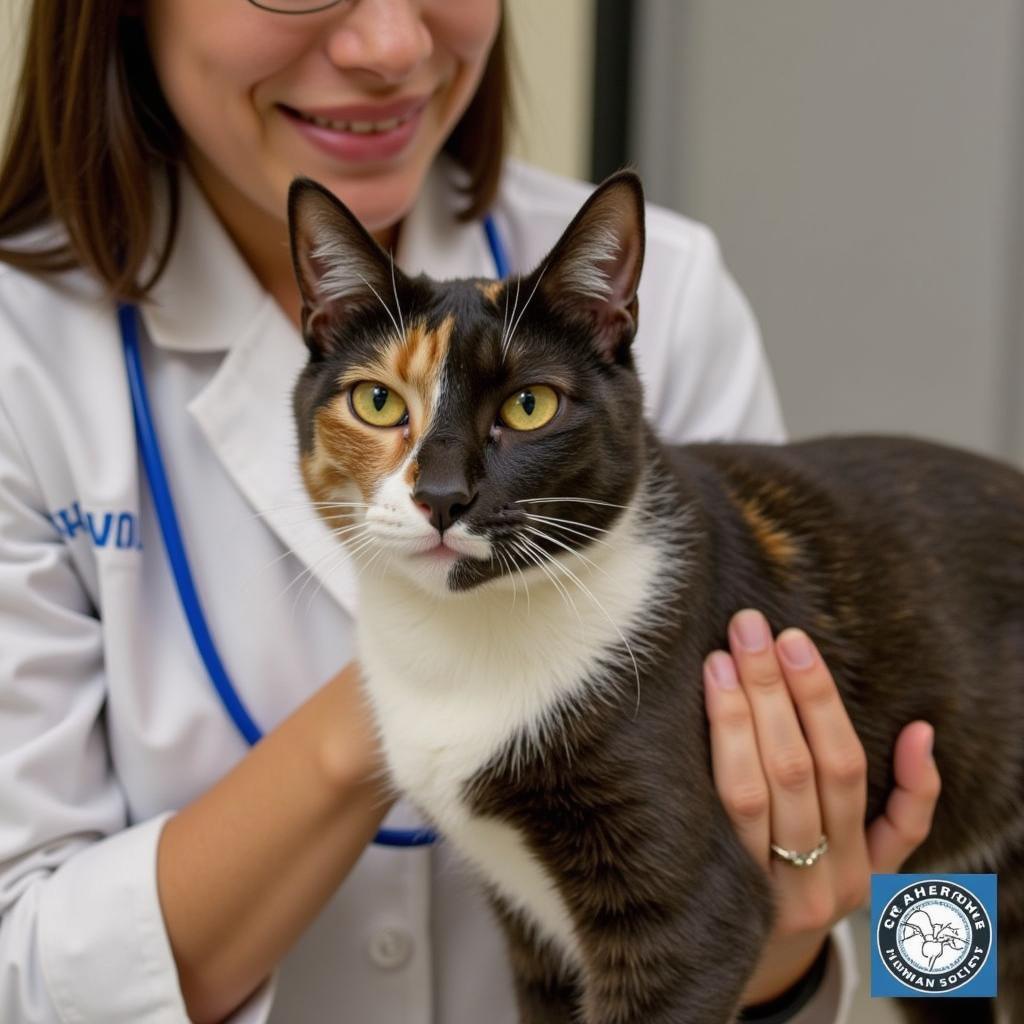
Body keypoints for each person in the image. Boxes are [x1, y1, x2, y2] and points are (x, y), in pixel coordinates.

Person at [0, 2, 941, 1022]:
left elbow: (825, 919)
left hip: (926, 829)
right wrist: (401, 703)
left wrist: (800, 948)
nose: (391, 44)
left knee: (957, 902)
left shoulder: (661, 286)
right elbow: (27, 971)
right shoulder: (26, 359)